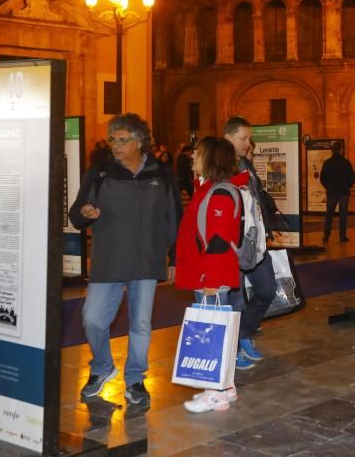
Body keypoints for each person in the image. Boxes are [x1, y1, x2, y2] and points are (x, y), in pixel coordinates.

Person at [69, 113, 182, 406]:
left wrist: (175, 257)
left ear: (140, 141)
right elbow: (77, 212)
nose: (116, 146)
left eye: (123, 140)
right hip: (109, 261)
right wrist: (85, 213)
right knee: (93, 319)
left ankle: (135, 380)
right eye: (113, 140)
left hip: (147, 261)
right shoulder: (101, 173)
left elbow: (174, 218)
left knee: (141, 324)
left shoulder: (160, 173)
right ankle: (103, 367)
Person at [175, 136, 243, 413]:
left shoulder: (221, 193)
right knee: (215, 329)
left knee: (210, 333)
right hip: (205, 275)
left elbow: (218, 240)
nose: (193, 157)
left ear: (212, 158)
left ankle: (215, 392)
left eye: (199, 153)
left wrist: (212, 281)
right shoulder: (208, 189)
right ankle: (225, 387)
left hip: (211, 277)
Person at [223, 116, 277, 370]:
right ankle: (231, 349)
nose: (247, 143)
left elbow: (255, 200)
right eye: (243, 138)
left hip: (254, 242)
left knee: (267, 289)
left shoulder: (246, 162)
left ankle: (244, 332)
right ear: (228, 138)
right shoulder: (217, 165)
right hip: (231, 246)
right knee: (235, 302)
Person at [320, 141, 355, 243]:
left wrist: (328, 186)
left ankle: (326, 236)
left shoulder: (327, 163)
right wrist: (347, 186)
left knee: (329, 214)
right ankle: (342, 236)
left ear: (332, 151)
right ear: (341, 150)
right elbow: (352, 177)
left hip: (332, 192)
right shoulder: (346, 162)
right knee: (343, 214)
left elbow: (322, 178)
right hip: (344, 192)